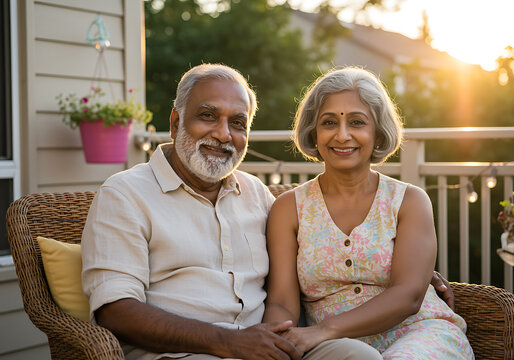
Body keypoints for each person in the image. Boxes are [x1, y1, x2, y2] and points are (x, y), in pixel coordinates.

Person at [81, 63, 390, 360]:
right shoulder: (125, 194)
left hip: (269, 347)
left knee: (357, 355)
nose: (223, 134)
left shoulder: (256, 194)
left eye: (238, 123)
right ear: (175, 122)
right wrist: (231, 343)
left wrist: (398, 265)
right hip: (182, 353)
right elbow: (116, 311)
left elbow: (310, 256)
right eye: (208, 116)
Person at [263, 67, 474, 359]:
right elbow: (282, 302)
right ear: (314, 132)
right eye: (328, 123)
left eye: (357, 122)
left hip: (418, 333)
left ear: (377, 132)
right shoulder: (288, 208)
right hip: (333, 350)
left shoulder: (409, 201)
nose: (342, 135)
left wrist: (323, 330)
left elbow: (409, 294)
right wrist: (277, 343)